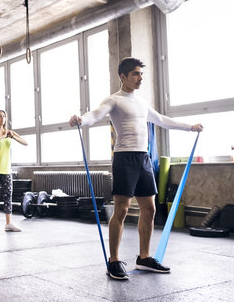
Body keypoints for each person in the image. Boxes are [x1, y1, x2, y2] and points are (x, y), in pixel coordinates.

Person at [69, 57, 203, 280]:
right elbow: (95, 115)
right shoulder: (114, 100)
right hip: (124, 159)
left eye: (141, 74)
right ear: (123, 77)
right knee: (121, 210)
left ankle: (144, 257)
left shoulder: (141, 102)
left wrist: (190, 127)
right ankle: (113, 261)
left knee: (149, 209)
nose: (140, 78)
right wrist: (80, 120)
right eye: (136, 74)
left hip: (144, 159)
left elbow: (161, 119)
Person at [0, 110, 28, 235]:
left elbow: (25, 143)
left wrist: (12, 135)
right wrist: (3, 136)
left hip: (6, 169)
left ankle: (8, 224)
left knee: (8, 196)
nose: (2, 118)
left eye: (4, 116)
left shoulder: (10, 132)